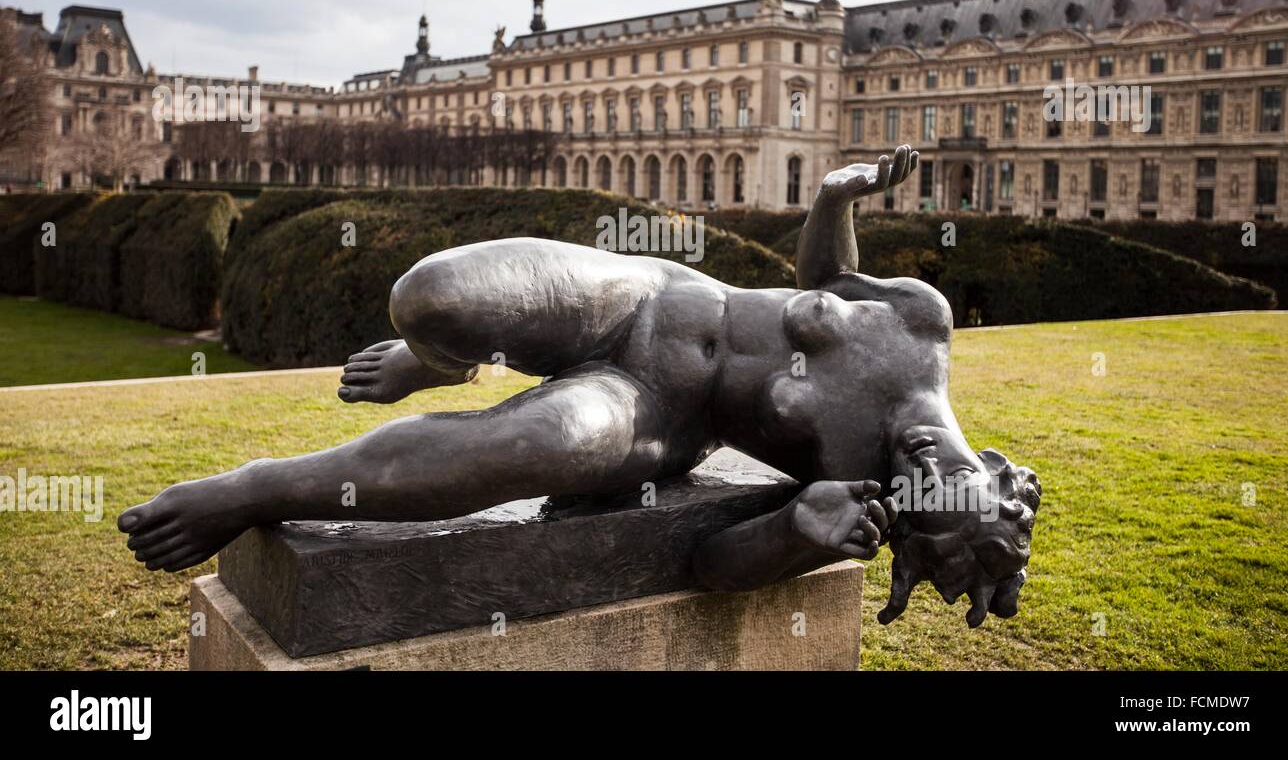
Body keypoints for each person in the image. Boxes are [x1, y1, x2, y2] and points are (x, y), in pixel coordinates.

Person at [120, 145, 1040, 627]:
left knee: (516, 453)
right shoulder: (923, 321)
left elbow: (712, 568)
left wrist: (799, 533)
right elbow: (825, 288)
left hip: (658, 416)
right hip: (655, 295)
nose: (916, 483)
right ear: (994, 476)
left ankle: (253, 487)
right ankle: (435, 357)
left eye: (924, 515)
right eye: (946, 492)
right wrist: (834, 201)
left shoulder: (853, 497)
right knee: (432, 295)